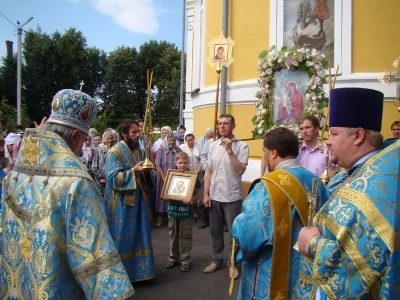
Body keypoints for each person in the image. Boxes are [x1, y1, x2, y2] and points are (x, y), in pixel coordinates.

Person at [0, 89, 134, 299]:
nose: (81, 149)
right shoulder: (77, 184)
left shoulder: (14, 177)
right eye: (83, 139)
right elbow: (96, 266)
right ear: (74, 136)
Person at [294, 87, 400, 299]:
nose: (328, 141)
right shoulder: (362, 172)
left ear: (358, 135)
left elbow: (364, 264)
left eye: (334, 133)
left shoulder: (374, 186)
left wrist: (313, 243)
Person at [232, 127, 327, 300]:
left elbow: (249, 234)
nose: (264, 157)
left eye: (264, 152)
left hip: (272, 270)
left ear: (273, 153)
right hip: (306, 269)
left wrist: (236, 224)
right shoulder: (315, 181)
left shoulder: (268, 186)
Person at [103, 119, 156, 283]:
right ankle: (120, 275)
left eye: (138, 132)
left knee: (140, 236)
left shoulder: (140, 151)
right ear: (124, 134)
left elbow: (147, 175)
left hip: (138, 200)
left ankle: (142, 272)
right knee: (122, 237)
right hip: (121, 204)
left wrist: (147, 172)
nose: (137, 135)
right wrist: (133, 171)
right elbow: (112, 178)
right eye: (133, 132)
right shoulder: (114, 153)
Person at [203, 114, 249, 278]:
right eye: (220, 123)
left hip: (232, 197)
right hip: (215, 196)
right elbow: (209, 171)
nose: (222, 126)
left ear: (233, 126)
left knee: (233, 234)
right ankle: (216, 260)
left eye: (226, 123)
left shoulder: (242, 146)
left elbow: (240, 170)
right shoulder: (213, 145)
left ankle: (233, 264)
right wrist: (205, 194)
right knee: (215, 231)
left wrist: (229, 151)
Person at [164, 152, 201, 272]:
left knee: (185, 235)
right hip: (173, 211)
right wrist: (165, 197)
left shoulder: (193, 177)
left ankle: (185, 260)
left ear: (188, 163)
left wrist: (190, 200)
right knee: (173, 235)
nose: (182, 165)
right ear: (176, 163)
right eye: (180, 162)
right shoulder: (171, 176)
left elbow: (195, 195)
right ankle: (173, 258)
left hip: (185, 212)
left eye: (185, 163)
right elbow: (166, 193)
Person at [155, 132, 182, 227]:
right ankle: (160, 217)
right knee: (161, 197)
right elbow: (157, 166)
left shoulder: (179, 150)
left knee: (173, 197)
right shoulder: (160, 150)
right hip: (163, 178)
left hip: (175, 179)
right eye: (170, 140)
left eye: (173, 140)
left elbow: (181, 163)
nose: (171, 142)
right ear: (166, 140)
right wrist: (164, 178)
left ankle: (172, 217)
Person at [180, 131, 202, 221]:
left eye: (191, 140)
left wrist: (198, 171)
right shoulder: (182, 147)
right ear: (185, 140)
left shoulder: (199, 146)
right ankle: (188, 209)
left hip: (198, 172)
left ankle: (196, 210)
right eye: (188, 140)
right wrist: (190, 170)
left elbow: (202, 159)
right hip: (187, 172)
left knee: (197, 190)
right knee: (188, 190)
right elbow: (182, 159)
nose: (190, 142)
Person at [92, 128, 117, 195]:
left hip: (113, 181)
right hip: (102, 182)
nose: (110, 140)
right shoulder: (99, 149)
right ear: (104, 138)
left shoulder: (116, 149)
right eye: (108, 138)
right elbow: (94, 166)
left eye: (111, 138)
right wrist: (100, 178)